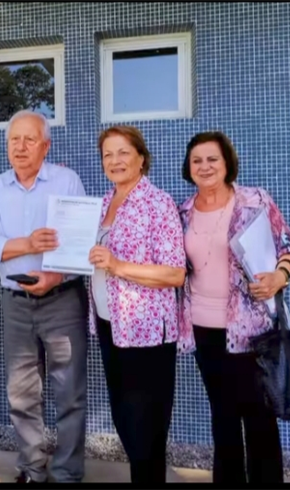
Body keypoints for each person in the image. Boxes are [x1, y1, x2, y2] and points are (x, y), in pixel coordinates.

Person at [178, 131, 290, 484]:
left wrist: (280, 276)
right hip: (204, 328)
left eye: (212, 159)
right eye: (197, 161)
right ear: (188, 168)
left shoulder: (254, 201)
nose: (205, 167)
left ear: (227, 162)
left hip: (252, 330)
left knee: (259, 418)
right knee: (223, 416)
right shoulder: (183, 211)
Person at [0, 110, 88, 484]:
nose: (20, 147)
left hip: (63, 298)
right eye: (13, 140)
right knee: (21, 394)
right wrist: (26, 244)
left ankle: (68, 473)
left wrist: (54, 275)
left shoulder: (66, 180)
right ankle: (32, 470)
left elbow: (81, 243)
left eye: (29, 140)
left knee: (69, 391)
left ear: (45, 146)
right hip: (15, 302)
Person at [87, 126, 186, 484]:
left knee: (146, 426)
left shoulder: (158, 203)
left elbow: (175, 273)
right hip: (109, 325)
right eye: (107, 155)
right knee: (125, 419)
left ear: (141, 158)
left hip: (146, 333)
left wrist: (117, 266)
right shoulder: (100, 205)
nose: (114, 161)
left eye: (123, 152)